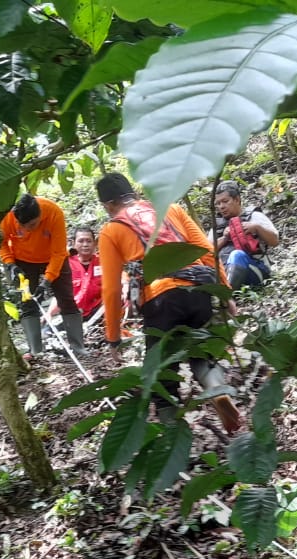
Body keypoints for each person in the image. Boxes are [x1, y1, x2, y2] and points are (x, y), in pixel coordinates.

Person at [96, 173, 243, 434]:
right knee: (202, 352)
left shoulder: (111, 230)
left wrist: (113, 337)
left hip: (160, 298)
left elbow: (110, 288)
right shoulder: (172, 209)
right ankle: (217, 390)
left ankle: (172, 435)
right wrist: (225, 292)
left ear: (108, 205)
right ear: (135, 193)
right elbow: (207, 251)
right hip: (198, 290)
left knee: (162, 373)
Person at [0, 193, 86, 359]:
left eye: (33, 224)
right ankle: (36, 350)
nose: (28, 230)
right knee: (27, 302)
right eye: (24, 226)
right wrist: (10, 264)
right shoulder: (7, 217)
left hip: (53, 258)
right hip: (22, 260)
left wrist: (47, 281)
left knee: (66, 299)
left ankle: (78, 347)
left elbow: (59, 252)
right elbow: (1, 243)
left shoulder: (53, 212)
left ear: (40, 216)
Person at [212, 180, 278, 290]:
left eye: (225, 201)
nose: (221, 206)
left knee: (237, 255)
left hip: (255, 269)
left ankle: (227, 296)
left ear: (237, 199)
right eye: (218, 204)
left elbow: (275, 241)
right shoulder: (217, 225)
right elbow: (207, 250)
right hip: (224, 270)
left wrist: (257, 228)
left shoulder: (254, 216)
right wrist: (224, 238)